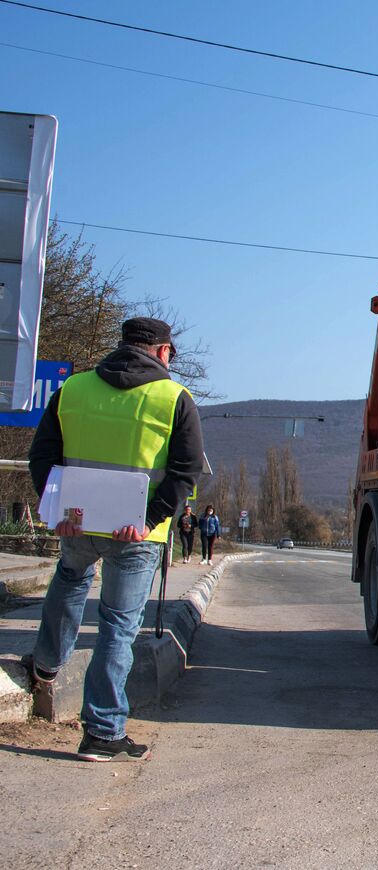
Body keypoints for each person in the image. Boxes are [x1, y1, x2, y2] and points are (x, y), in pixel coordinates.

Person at [24, 317, 204, 761]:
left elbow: (43, 455)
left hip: (78, 523)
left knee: (69, 579)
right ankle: (103, 732)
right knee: (118, 627)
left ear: (122, 345)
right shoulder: (175, 398)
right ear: (163, 352)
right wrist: (148, 518)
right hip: (136, 534)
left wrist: (58, 508)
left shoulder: (74, 389)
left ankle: (46, 663)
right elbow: (185, 472)